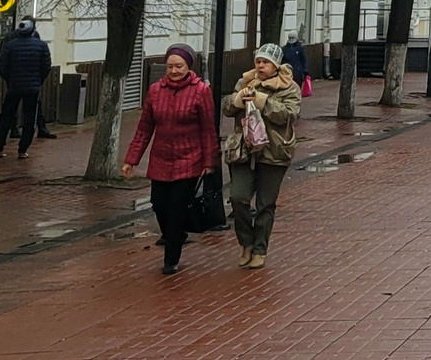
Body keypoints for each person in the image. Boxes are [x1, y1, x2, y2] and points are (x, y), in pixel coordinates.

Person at [122, 44, 219, 274]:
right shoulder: (156, 90)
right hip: (162, 158)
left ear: (188, 66)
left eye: (179, 66)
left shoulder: (201, 91)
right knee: (159, 204)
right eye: (170, 66)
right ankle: (177, 234)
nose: (174, 71)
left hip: (189, 158)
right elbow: (144, 128)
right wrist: (131, 159)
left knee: (176, 208)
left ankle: (171, 259)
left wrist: (209, 162)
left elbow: (208, 130)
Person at [223, 44, 300, 268]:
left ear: (275, 65)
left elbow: (289, 115)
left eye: (265, 62)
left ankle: (259, 250)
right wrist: (238, 100)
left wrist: (262, 101)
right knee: (238, 197)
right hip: (244, 151)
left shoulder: (288, 87)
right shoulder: (245, 82)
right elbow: (227, 107)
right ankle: (246, 242)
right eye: (258, 61)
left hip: (274, 151)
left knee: (266, 204)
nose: (260, 65)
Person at [0, 18, 50, 159]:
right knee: (29, 119)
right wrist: (38, 81)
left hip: (14, 87)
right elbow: (46, 67)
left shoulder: (10, 46)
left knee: (5, 116)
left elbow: (3, 67)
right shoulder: (41, 46)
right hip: (33, 89)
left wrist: (10, 81)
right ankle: (23, 150)